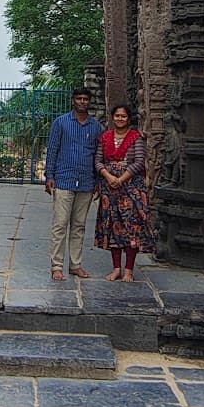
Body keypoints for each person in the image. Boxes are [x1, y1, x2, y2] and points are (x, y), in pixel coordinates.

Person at [44, 87, 102, 281]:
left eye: (86, 99)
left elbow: (98, 155)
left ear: (89, 102)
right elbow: (52, 149)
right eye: (79, 98)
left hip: (86, 181)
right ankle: (57, 266)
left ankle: (75, 265)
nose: (82, 102)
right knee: (60, 225)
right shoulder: (61, 123)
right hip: (63, 179)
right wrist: (49, 175)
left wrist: (97, 180)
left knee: (79, 226)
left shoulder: (96, 127)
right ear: (73, 101)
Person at [93, 103, 154, 281]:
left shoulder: (135, 138)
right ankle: (116, 268)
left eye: (123, 116)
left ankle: (129, 269)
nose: (120, 119)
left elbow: (139, 162)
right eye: (117, 116)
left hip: (131, 188)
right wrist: (108, 176)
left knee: (131, 228)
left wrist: (121, 179)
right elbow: (98, 160)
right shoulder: (105, 138)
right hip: (109, 189)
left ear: (129, 119)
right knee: (114, 228)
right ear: (113, 118)